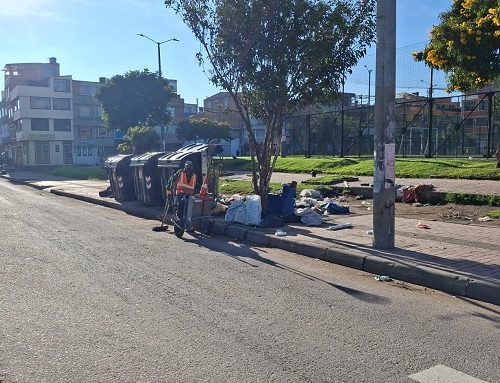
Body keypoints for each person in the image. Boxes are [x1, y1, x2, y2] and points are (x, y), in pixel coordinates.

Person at [166, 160, 199, 229]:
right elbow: (172, 179)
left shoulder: (194, 176)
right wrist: (168, 188)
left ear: (192, 167)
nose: (188, 168)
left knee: (190, 208)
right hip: (180, 193)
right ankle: (180, 220)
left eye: (190, 166)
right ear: (185, 166)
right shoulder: (180, 173)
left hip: (190, 195)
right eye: (187, 166)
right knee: (181, 206)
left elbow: (196, 185)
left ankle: (188, 222)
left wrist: (202, 189)